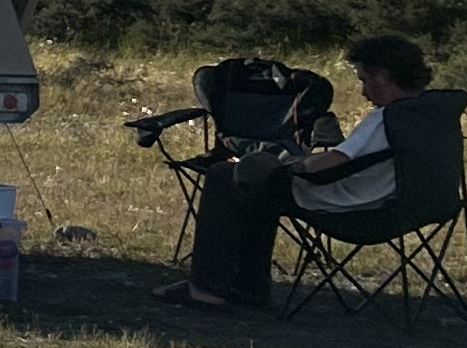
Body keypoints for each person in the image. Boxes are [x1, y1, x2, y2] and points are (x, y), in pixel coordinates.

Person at [160, 33, 425, 311]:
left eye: (365, 80)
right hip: (401, 200)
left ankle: (208, 289)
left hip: (352, 203)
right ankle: (248, 288)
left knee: (225, 176)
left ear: (383, 76)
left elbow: (334, 160)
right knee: (261, 187)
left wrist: (296, 166)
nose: (363, 92)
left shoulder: (387, 117)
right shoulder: (431, 112)